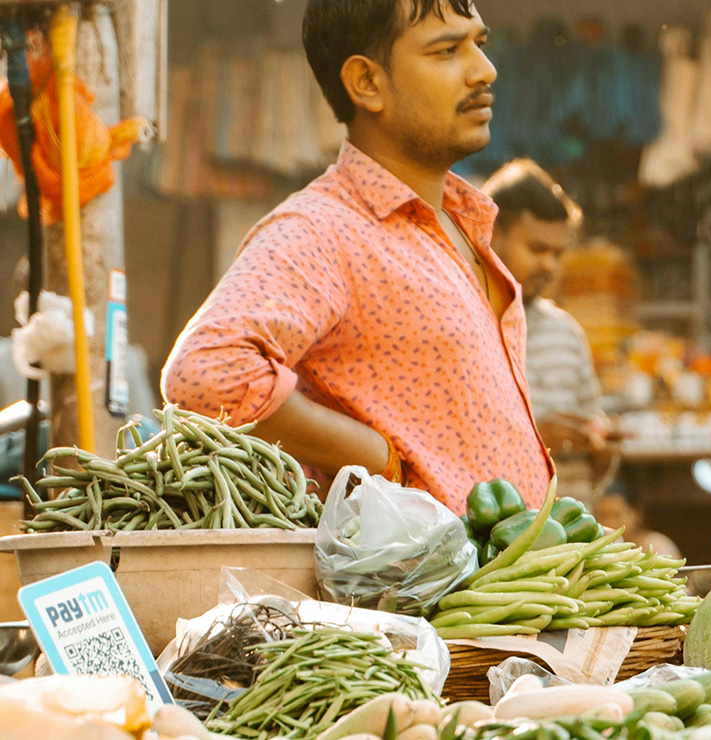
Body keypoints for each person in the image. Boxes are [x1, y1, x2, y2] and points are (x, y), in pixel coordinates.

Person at [163, 0, 553, 512]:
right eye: (446, 52)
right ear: (367, 82)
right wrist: (379, 456)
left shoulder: (460, 222)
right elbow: (205, 373)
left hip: (519, 576)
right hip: (418, 589)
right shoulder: (324, 229)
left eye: (478, 44)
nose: (484, 71)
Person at [482, 159, 614, 506]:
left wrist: (600, 448)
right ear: (492, 235)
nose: (550, 266)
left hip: (573, 529)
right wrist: (534, 437)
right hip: (500, 541)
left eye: (558, 253)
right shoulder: (458, 326)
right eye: (538, 249)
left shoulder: (566, 333)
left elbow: (596, 442)